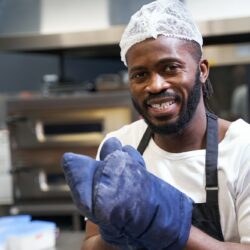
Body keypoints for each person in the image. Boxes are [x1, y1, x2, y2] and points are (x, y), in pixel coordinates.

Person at [62, 0, 250, 249]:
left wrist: (171, 228)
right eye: (140, 75)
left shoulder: (243, 149)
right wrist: (113, 233)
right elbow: (90, 244)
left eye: (171, 68)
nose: (155, 85)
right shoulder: (119, 146)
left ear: (202, 70)